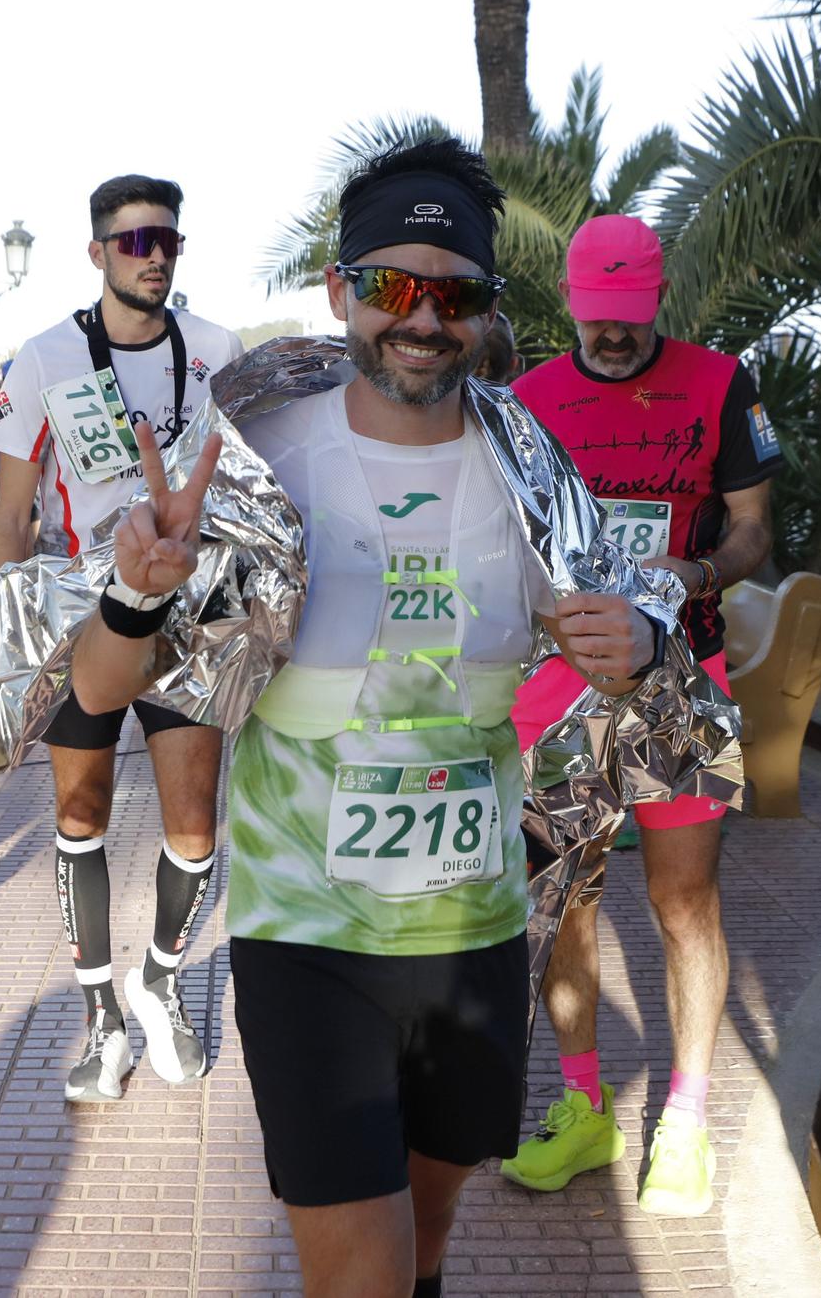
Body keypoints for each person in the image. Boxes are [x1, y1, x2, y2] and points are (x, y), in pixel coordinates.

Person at [65, 137, 678, 1297]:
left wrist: (639, 642)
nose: (421, 318)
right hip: (309, 944)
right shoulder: (257, 459)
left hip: (475, 942)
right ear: (339, 291)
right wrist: (136, 588)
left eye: (452, 295)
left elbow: (632, 631)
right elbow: (99, 691)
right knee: (360, 1274)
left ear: (487, 315)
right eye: (391, 286)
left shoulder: (526, 463)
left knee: (425, 1248)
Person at [500, 213, 781, 1217]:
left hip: (681, 675)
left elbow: (751, 528)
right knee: (560, 899)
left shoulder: (717, 384)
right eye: (596, 317)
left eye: (629, 316)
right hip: (556, 686)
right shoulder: (524, 402)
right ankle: (580, 1109)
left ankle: (687, 1116)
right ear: (571, 302)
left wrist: (695, 568)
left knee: (681, 903)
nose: (612, 336)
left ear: (656, 298)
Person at [0, 174, 245, 1101]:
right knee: (81, 816)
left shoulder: (217, 350)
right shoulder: (45, 357)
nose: (155, 255)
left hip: (195, 614)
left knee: (195, 825)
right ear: (96, 254)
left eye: (167, 239)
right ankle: (102, 1019)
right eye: (134, 242)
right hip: (84, 618)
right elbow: (11, 516)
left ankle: (161, 986)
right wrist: (4, 660)